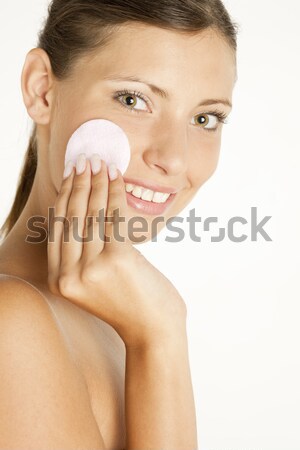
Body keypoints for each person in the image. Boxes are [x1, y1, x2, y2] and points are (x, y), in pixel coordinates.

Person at [0, 0, 238, 448]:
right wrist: (160, 335)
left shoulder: (113, 313)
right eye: (133, 100)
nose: (173, 158)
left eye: (205, 118)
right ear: (42, 90)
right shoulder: (10, 321)